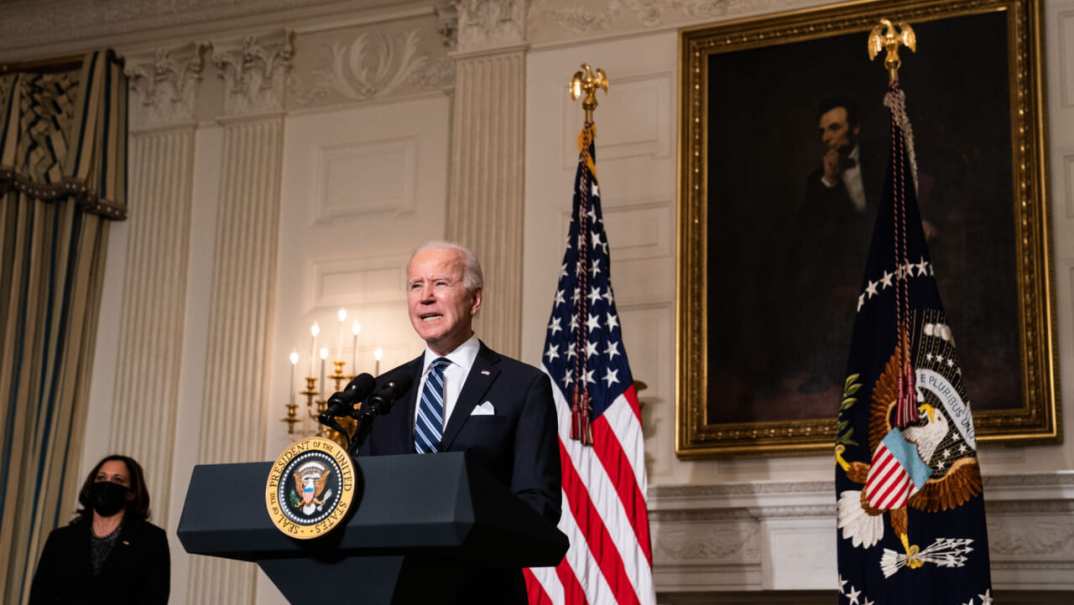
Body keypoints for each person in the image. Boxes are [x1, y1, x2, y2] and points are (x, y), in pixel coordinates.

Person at [359, 241, 561, 603]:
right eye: (415, 285)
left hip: (480, 590)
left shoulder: (522, 386)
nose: (425, 297)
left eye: (440, 284)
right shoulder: (382, 392)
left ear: (475, 299)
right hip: (390, 590)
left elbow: (538, 502)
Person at [29, 454, 170, 605]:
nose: (107, 485)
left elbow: (154, 598)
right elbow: (40, 596)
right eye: (101, 478)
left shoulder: (151, 539)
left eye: (117, 480)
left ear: (131, 493)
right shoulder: (61, 539)